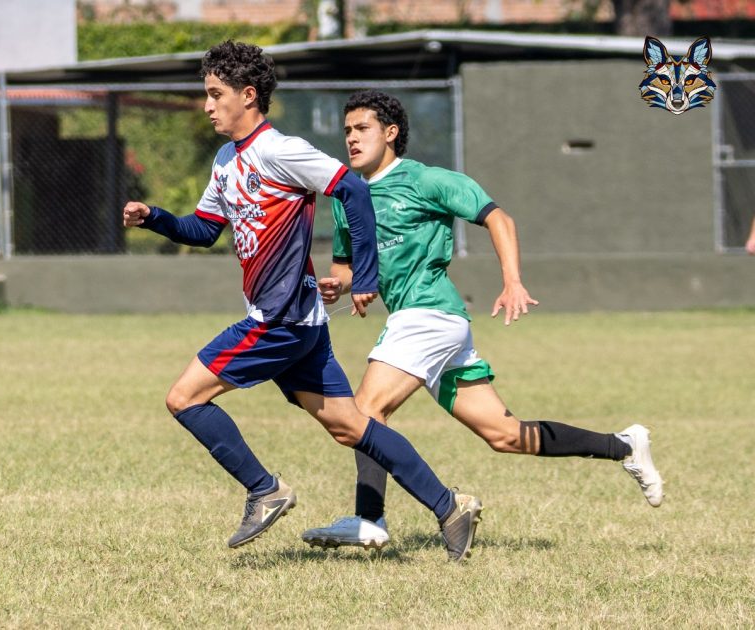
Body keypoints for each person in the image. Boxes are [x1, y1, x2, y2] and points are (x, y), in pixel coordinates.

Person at [123, 43, 482, 561]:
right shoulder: (226, 160)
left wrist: (365, 272)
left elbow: (351, 192)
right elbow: (203, 230)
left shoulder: (280, 150)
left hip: (280, 318)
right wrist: (154, 215)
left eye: (215, 94)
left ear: (248, 96)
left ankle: (265, 490)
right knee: (351, 425)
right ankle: (449, 507)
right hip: (300, 321)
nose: (206, 105)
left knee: (184, 398)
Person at [301, 90, 664, 550]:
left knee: (365, 412)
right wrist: (342, 286)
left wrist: (512, 281)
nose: (351, 138)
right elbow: (348, 268)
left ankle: (371, 519)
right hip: (427, 325)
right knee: (505, 434)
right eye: (347, 130)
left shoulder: (426, 180)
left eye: (362, 129)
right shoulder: (347, 198)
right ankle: (625, 445)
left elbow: (500, 219)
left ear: (390, 133)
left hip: (429, 314)